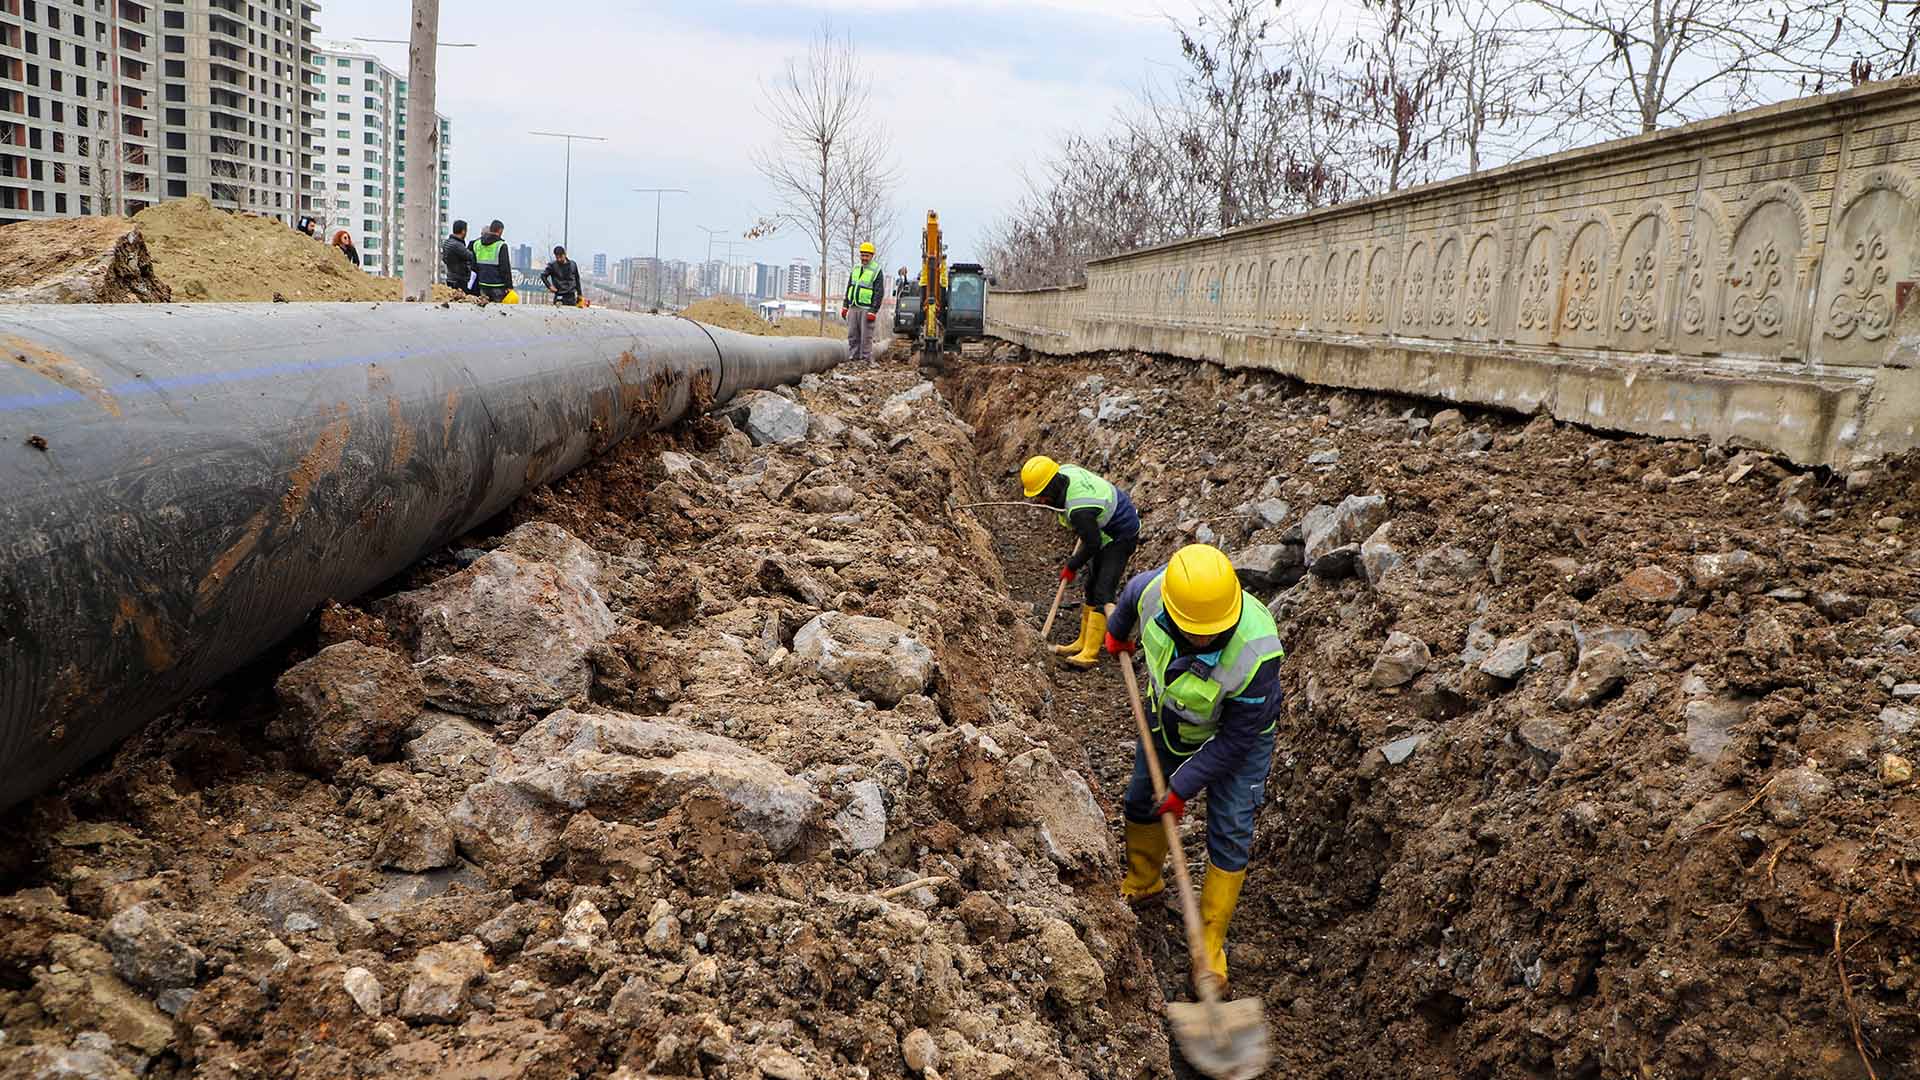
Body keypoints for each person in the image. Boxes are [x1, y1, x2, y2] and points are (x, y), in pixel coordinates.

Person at [1103, 544, 1284, 998]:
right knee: (1142, 796)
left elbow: (1236, 741)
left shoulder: (1257, 652)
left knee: (1231, 826)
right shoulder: (1153, 591)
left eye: (1214, 632)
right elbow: (1128, 599)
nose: (1206, 639)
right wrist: (1116, 633)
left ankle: (1210, 945)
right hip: (1169, 718)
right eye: (1197, 633)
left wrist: (1183, 786)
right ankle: (1144, 883)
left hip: (1240, 739)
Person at [1021, 455, 1140, 668]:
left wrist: (1072, 565)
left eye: (1041, 496)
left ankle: (1091, 652)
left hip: (1121, 534)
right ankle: (1081, 642)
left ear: (1050, 488)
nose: (1040, 501)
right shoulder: (1064, 472)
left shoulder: (1079, 509)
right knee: (1091, 586)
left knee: (1104, 590)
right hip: (1103, 530)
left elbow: (1092, 543)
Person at [839, 241, 884, 362]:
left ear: (872, 256)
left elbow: (879, 292)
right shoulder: (856, 269)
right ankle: (853, 358)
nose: (864, 258)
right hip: (854, 306)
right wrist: (845, 306)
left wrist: (873, 310)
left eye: (866, 255)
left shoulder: (876, 270)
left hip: (866, 309)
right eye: (862, 255)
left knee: (866, 336)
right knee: (852, 334)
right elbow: (850, 287)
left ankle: (865, 359)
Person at [469, 220, 512, 302]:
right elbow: (505, 268)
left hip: (482, 284)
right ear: (500, 230)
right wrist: (509, 286)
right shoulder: (501, 245)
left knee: (484, 310)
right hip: (498, 286)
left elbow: (473, 266)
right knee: (498, 312)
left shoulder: (477, 244)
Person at [442, 220, 476, 294]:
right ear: (463, 231)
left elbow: (444, 259)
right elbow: (471, 256)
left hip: (450, 277)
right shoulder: (457, 245)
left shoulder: (447, 242)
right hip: (459, 280)